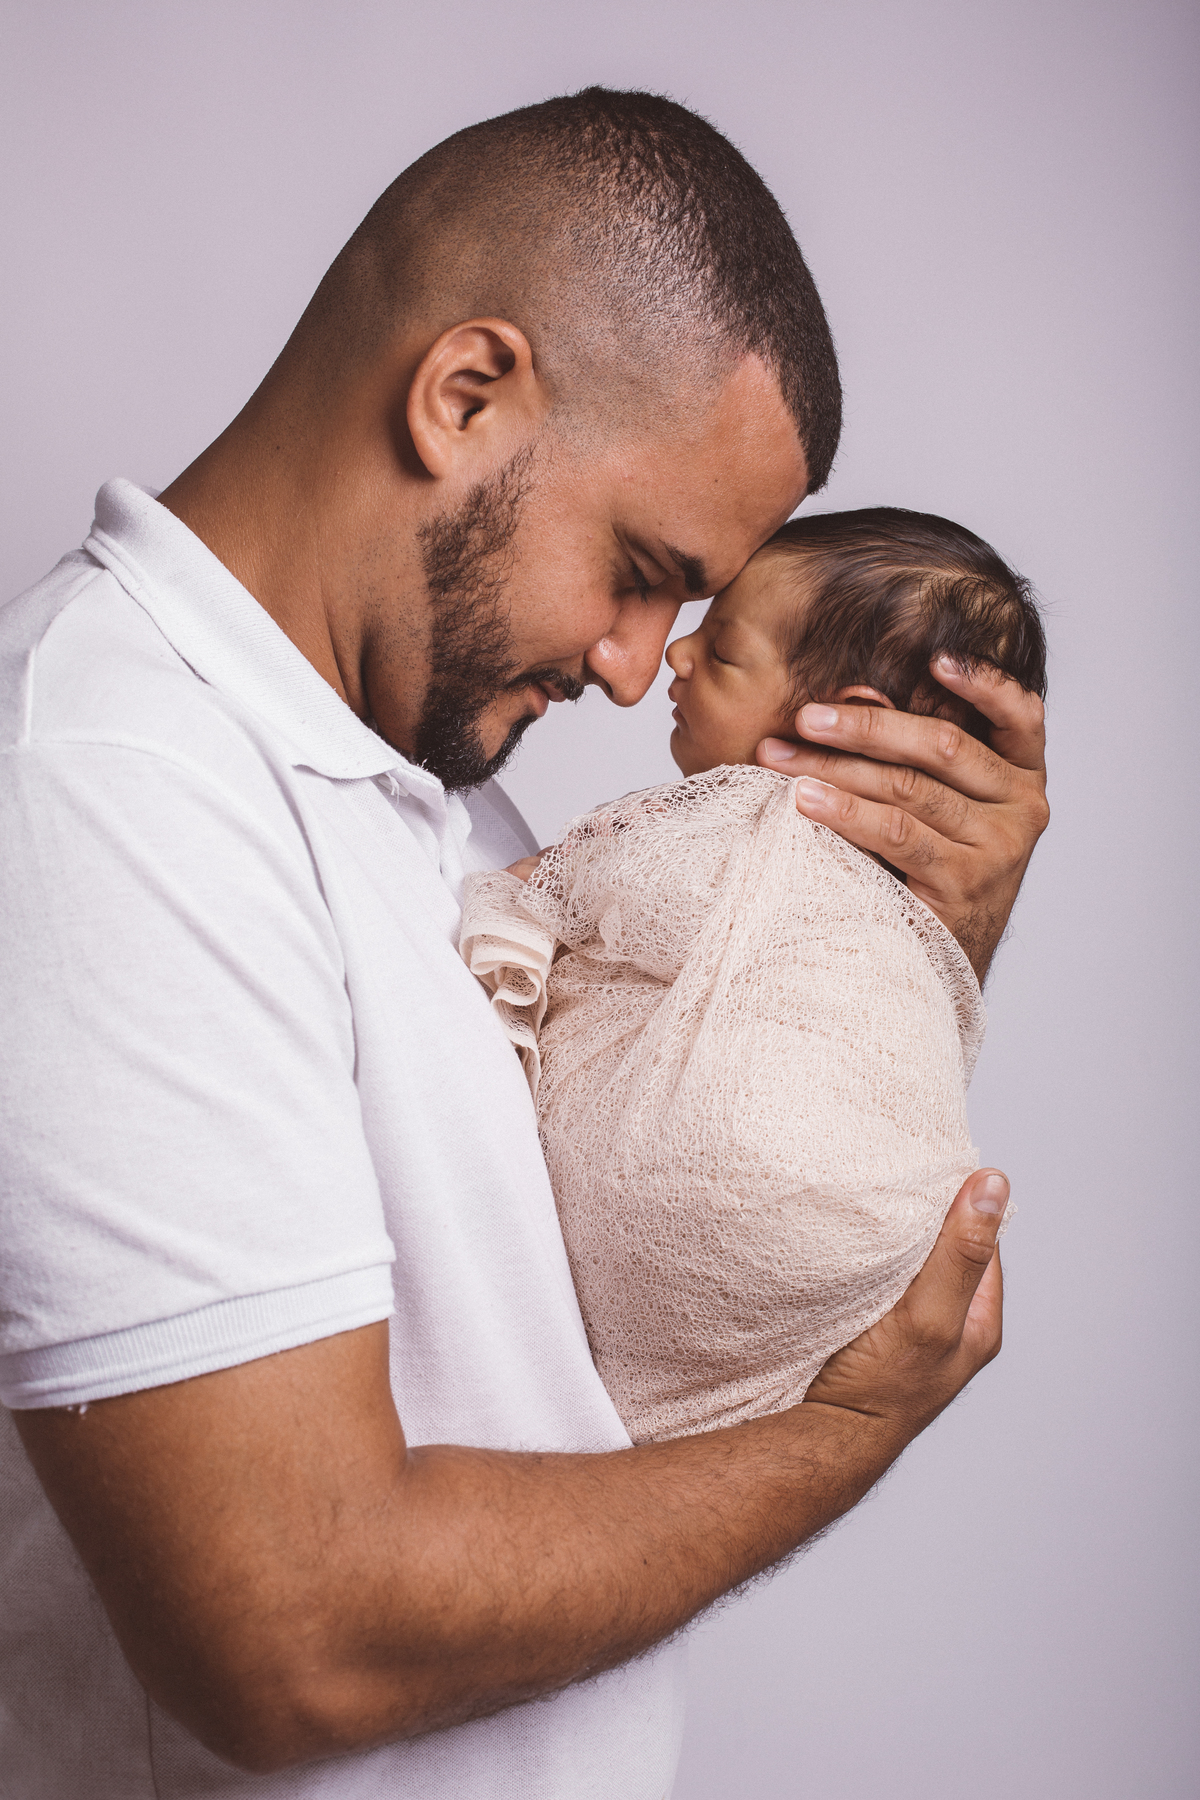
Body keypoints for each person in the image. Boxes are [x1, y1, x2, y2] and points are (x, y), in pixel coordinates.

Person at [0, 90, 1047, 1799]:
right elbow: (291, 1631)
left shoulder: (435, 793)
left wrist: (908, 951)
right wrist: (845, 1435)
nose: (641, 672)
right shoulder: (110, 777)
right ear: (464, 395)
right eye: (640, 571)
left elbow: (613, 1277)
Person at [461, 508, 1046, 1443]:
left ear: (848, 725)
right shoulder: (896, 909)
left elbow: (607, 885)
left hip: (704, 1181)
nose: (674, 656)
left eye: (723, 651)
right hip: (876, 1229)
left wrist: (524, 895)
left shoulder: (743, 817)